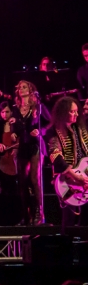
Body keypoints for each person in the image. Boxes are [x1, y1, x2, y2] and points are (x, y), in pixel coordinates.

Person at [45, 97, 88, 231]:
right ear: (63, 113)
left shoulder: (80, 127)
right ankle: (67, 241)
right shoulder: (53, 131)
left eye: (76, 111)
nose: (76, 114)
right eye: (72, 111)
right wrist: (75, 176)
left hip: (85, 175)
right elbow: (55, 156)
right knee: (68, 219)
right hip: (68, 180)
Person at [10, 81, 45, 225]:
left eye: (24, 87)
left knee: (34, 179)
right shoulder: (15, 109)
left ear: (30, 90)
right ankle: (26, 215)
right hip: (23, 146)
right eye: (19, 87)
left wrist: (39, 131)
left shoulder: (38, 107)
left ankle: (39, 213)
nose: (21, 89)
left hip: (35, 145)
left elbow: (49, 123)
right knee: (22, 181)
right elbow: (14, 127)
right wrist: (13, 132)